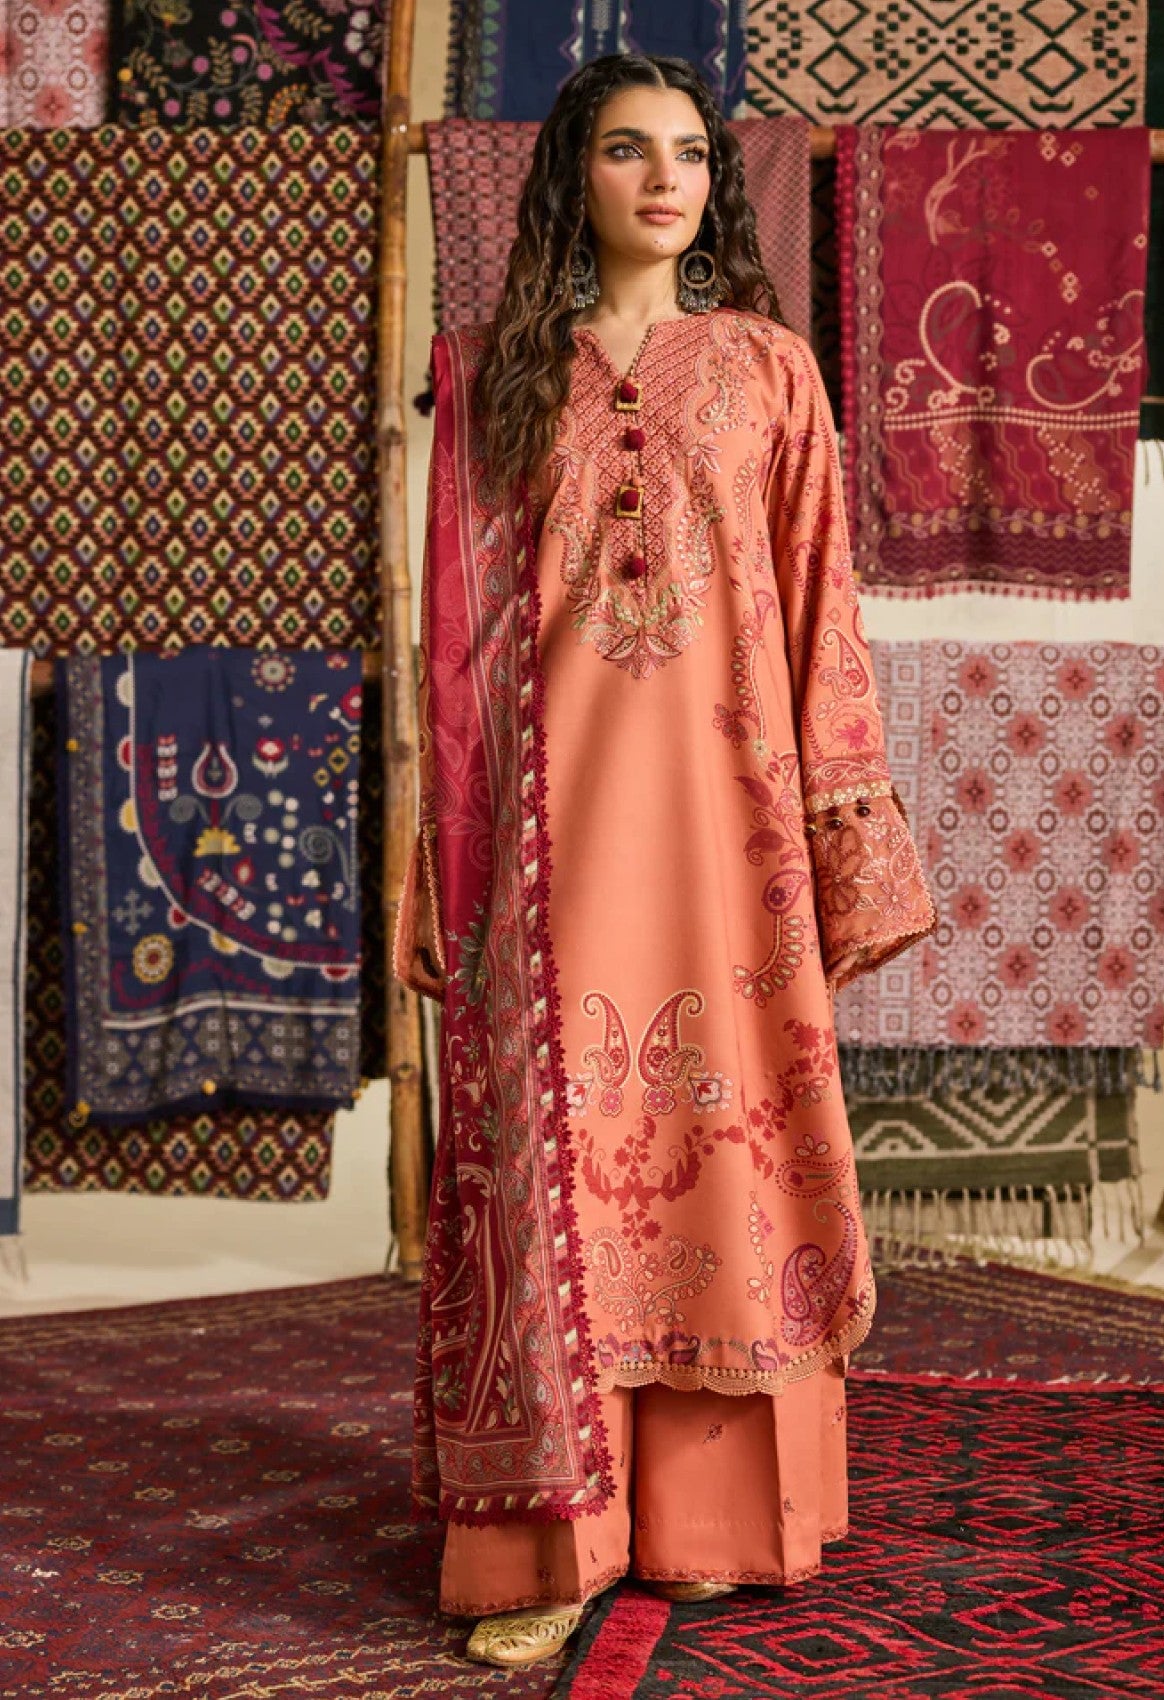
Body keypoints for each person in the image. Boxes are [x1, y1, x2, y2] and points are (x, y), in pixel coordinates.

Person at [395, 51, 936, 1670]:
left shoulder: (768, 371)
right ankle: (547, 1543)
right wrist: (440, 857)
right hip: (549, 844)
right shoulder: (494, 370)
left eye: (690, 154)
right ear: (573, 175)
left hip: (727, 842)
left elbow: (822, 606)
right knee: (550, 1165)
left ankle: (706, 1521)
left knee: (717, 1156)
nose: (664, 180)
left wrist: (843, 832)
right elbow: (452, 652)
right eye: (628, 151)